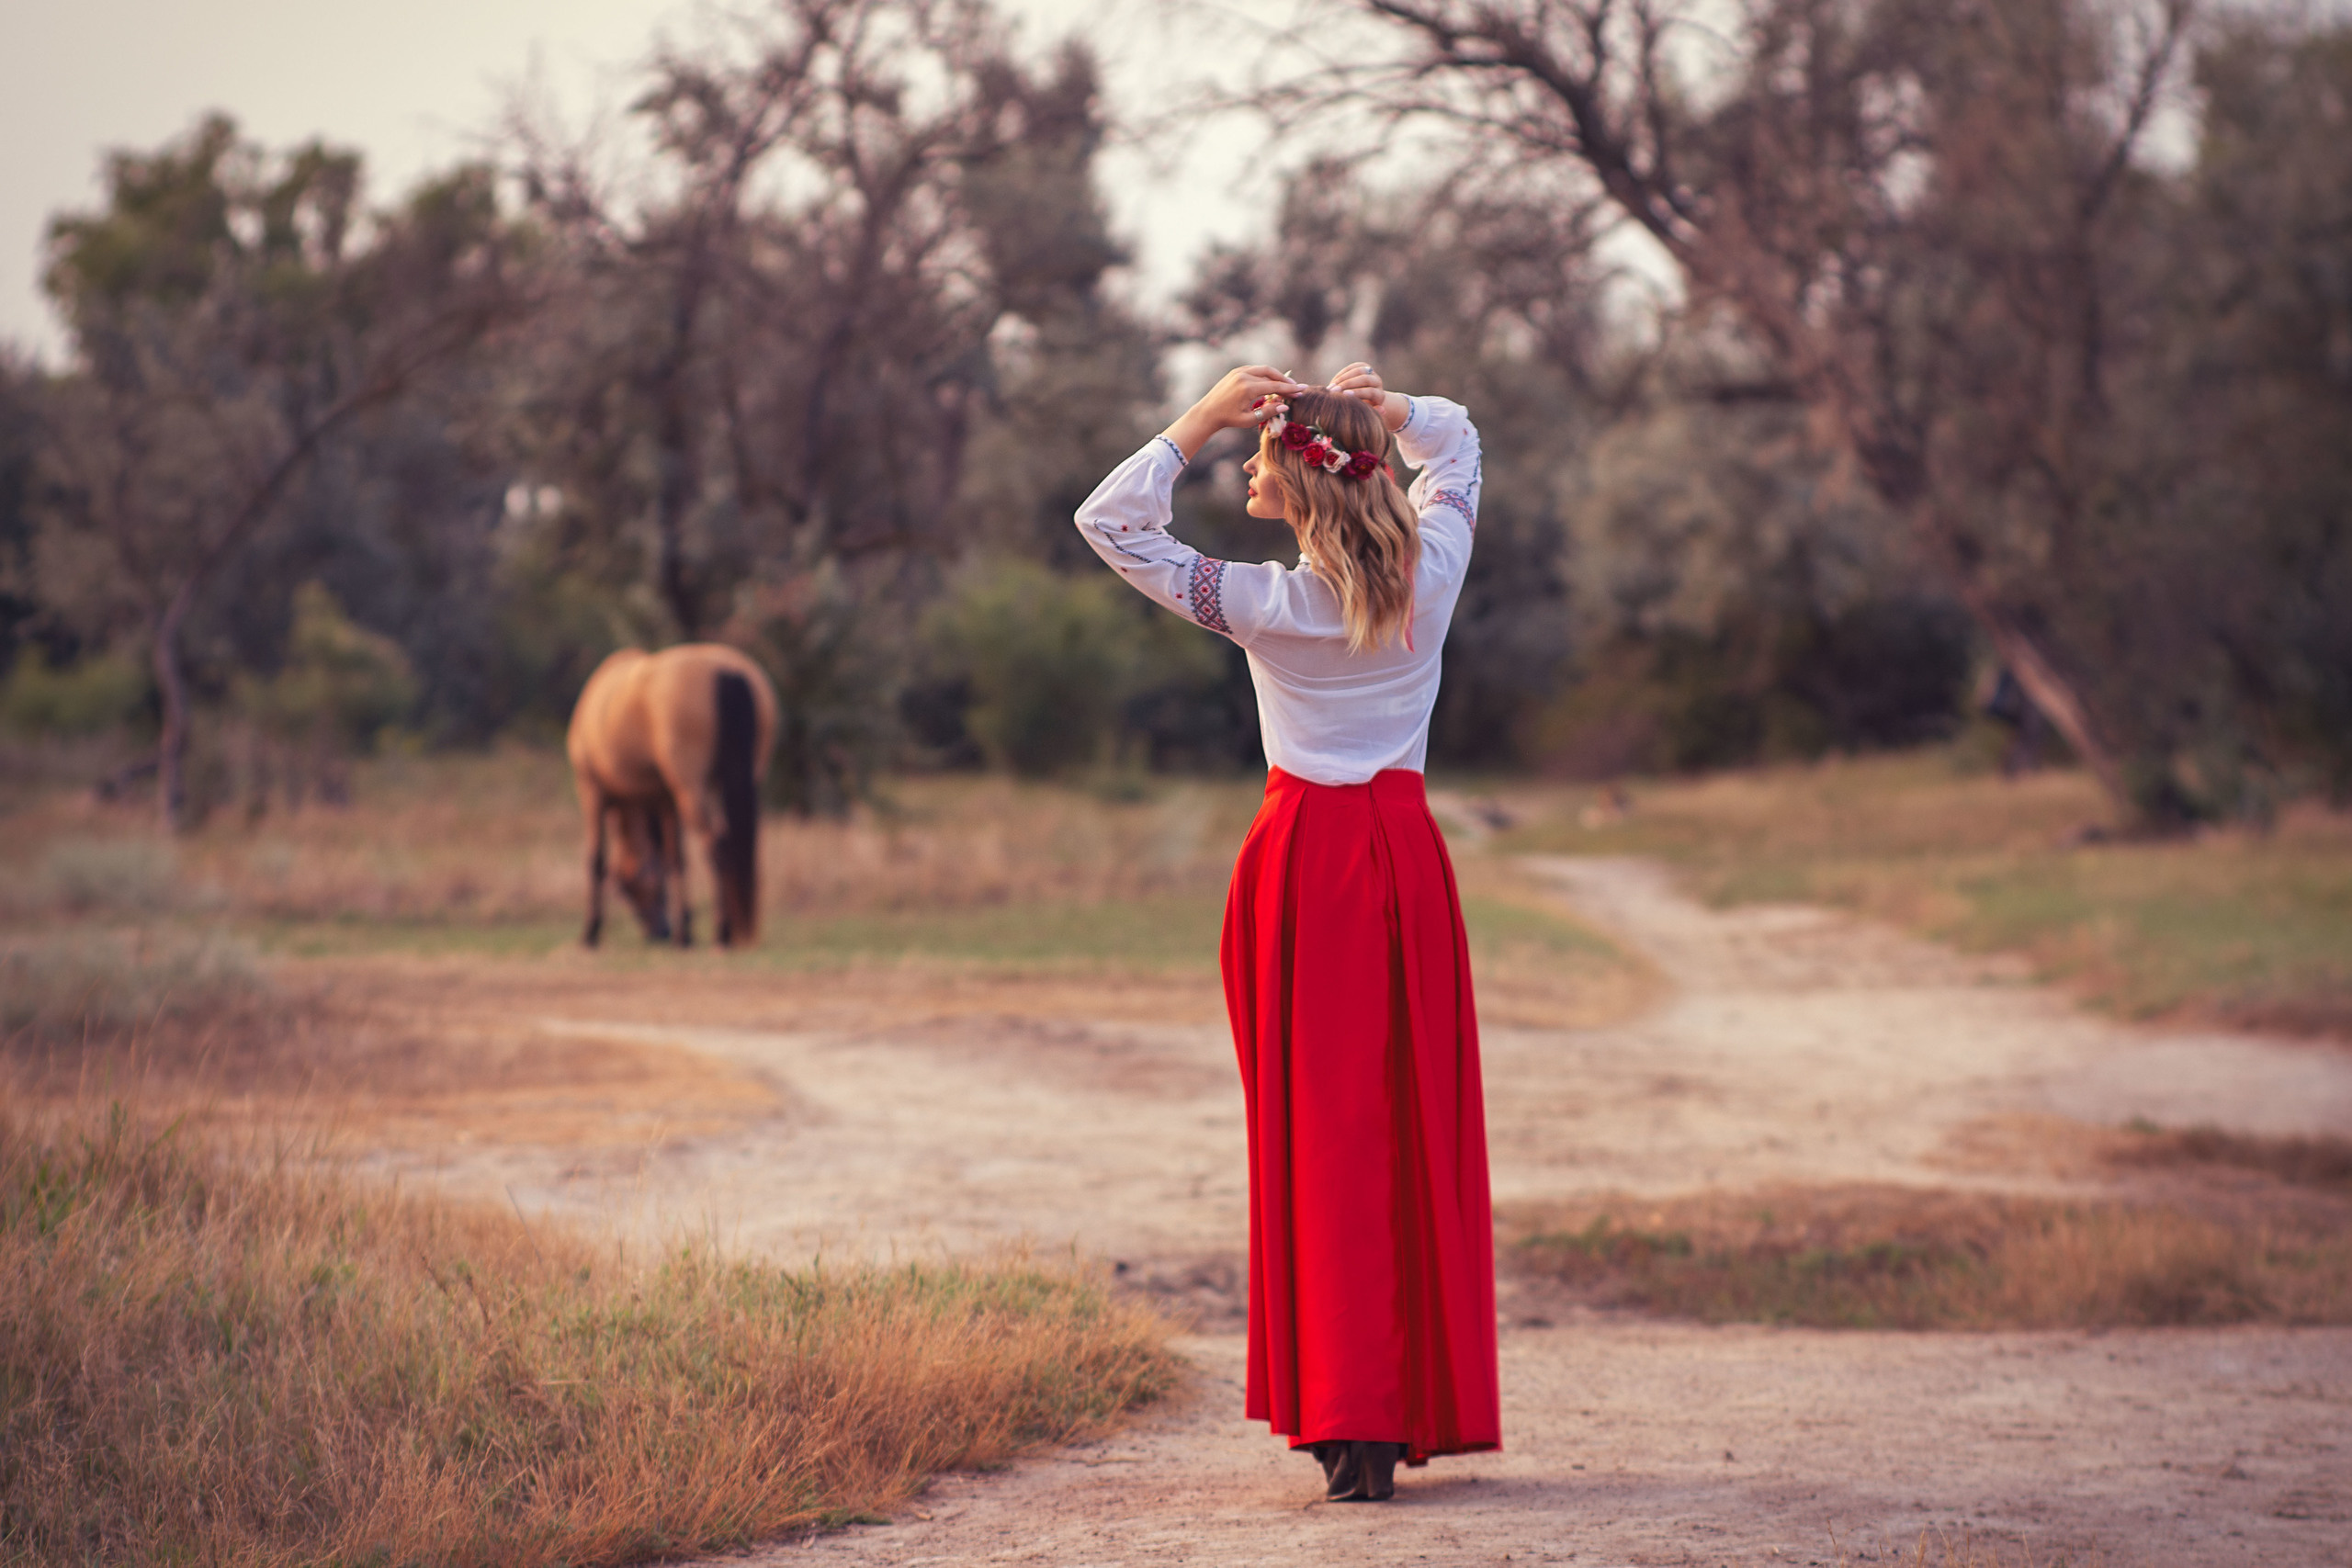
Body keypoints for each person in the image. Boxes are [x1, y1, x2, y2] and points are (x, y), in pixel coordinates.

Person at [1074, 361, 1500, 1501]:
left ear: (1299, 487)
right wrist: (1388, 408)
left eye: (1258, 453)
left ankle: (1342, 1414)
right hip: (1404, 861)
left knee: (1317, 1135)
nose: (1245, 462)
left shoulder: (1270, 606)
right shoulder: (1434, 570)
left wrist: (1200, 414)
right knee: (1406, 1122)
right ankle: (1395, 1404)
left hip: (1305, 865)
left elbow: (1109, 522)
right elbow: (1455, 449)